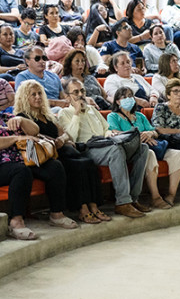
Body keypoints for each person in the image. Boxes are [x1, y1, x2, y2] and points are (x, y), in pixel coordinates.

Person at [0, 84, 73, 237]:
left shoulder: (8, 118)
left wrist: (21, 119)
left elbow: (35, 131)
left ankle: (57, 214)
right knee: (21, 171)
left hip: (24, 160)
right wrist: (16, 138)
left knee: (54, 166)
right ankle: (16, 222)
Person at [14, 80, 110, 222]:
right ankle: (82, 208)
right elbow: (33, 136)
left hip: (61, 151)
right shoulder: (23, 116)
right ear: (24, 98)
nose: (37, 97)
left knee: (88, 162)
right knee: (78, 166)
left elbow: (66, 134)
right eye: (32, 94)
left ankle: (94, 206)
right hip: (46, 157)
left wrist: (62, 140)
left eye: (40, 93)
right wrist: (56, 140)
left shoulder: (47, 115)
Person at [57, 78, 150, 218]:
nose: (80, 94)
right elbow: (71, 137)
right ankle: (122, 203)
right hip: (86, 149)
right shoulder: (64, 113)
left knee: (142, 148)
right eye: (75, 92)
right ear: (67, 96)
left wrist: (110, 135)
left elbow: (106, 129)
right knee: (116, 151)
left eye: (82, 90)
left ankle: (133, 198)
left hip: (106, 143)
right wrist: (77, 113)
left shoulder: (92, 109)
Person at [108, 86, 180, 208]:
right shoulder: (113, 116)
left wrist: (149, 133)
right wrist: (136, 136)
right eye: (124, 97)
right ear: (118, 101)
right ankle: (155, 197)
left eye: (130, 96)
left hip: (153, 144)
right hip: (133, 149)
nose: (128, 99)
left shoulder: (140, 116)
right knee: (148, 153)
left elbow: (155, 131)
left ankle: (171, 195)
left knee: (178, 154)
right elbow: (115, 133)